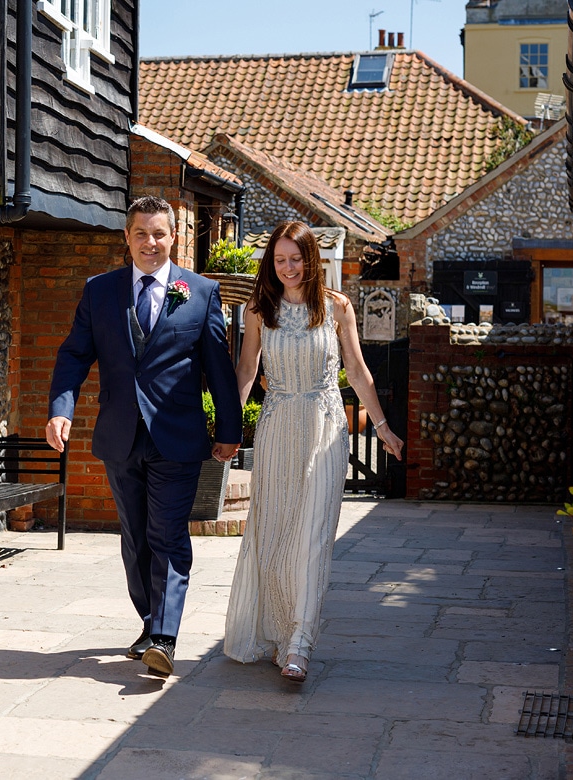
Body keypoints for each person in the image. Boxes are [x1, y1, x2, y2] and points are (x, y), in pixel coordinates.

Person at [47, 196, 241, 677]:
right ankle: (151, 621)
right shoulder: (100, 292)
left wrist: (230, 430)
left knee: (168, 534)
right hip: (119, 436)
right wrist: (60, 410)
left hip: (178, 437)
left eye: (159, 234)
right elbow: (74, 355)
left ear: (174, 237)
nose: (150, 243)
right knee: (135, 538)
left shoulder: (200, 292)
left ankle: (164, 638)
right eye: (141, 234)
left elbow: (218, 368)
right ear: (127, 238)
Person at [223, 221, 404, 683]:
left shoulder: (338, 307)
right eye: (280, 260)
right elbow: (246, 370)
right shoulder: (259, 312)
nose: (288, 268)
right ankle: (281, 634)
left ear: (311, 259)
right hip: (278, 429)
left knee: (314, 535)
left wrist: (382, 426)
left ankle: (300, 642)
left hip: (325, 428)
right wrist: (228, 427)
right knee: (278, 534)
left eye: (296, 258)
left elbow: (359, 374)